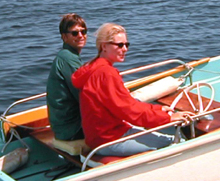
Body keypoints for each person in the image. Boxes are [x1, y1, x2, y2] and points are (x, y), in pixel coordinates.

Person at [72, 23, 192, 156]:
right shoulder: (106, 73)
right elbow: (127, 110)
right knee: (177, 142)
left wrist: (158, 109)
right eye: (119, 45)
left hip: (100, 136)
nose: (125, 49)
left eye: (126, 45)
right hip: (110, 139)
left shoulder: (92, 67)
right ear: (104, 46)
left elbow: (127, 103)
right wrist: (167, 118)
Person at [46, 13, 88, 141]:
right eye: (75, 33)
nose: (80, 35)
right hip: (72, 129)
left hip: (64, 126)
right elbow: (85, 96)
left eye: (83, 31)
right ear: (64, 37)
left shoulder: (68, 56)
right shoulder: (68, 59)